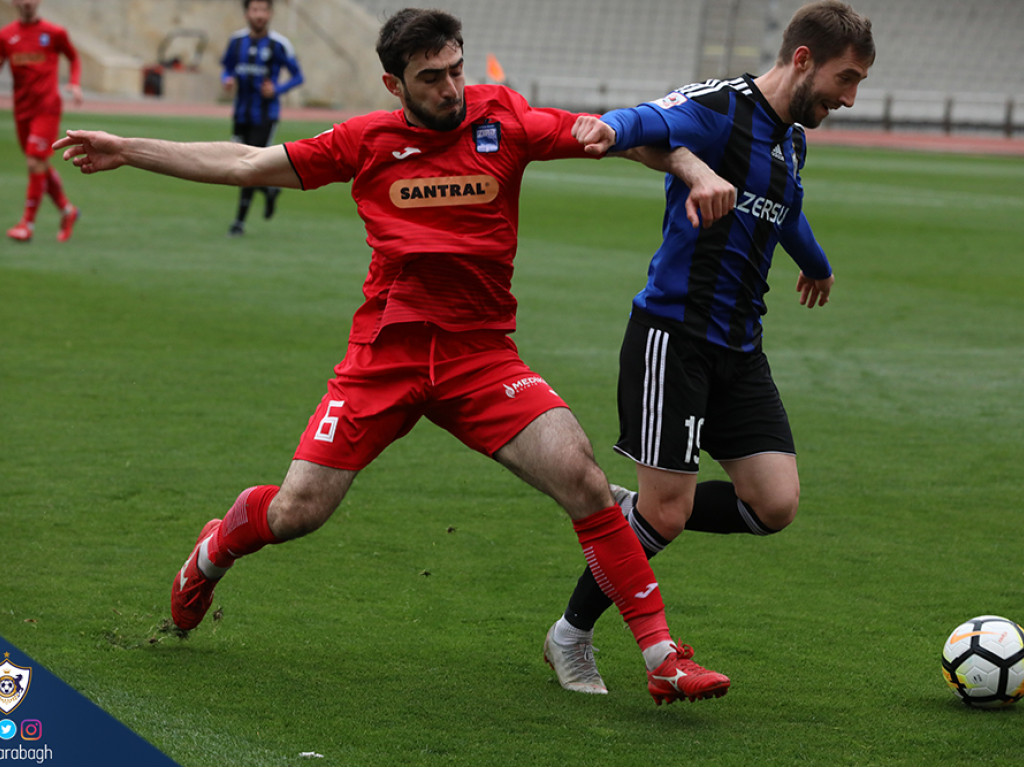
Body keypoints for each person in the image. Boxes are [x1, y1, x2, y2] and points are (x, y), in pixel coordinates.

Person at [56, 8, 732, 706]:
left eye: (457, 70)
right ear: (394, 82)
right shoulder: (365, 141)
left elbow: (622, 137)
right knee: (299, 512)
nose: (451, 88)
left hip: (481, 358)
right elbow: (245, 161)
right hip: (387, 357)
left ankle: (660, 657)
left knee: (583, 479)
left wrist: (688, 163)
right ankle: (215, 548)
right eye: (431, 77)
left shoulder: (505, 120)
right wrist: (129, 148)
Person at [543, 0, 875, 695]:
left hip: (740, 347)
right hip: (675, 337)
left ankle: (634, 513)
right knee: (669, 513)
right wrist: (608, 128)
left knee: (773, 505)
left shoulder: (793, 138)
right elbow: (652, 119)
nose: (849, 98)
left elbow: (783, 207)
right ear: (804, 60)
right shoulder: (720, 108)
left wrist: (813, 262)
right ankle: (570, 634)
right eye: (847, 80)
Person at [220, 0, 303, 236]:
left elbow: (298, 76)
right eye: (255, 10)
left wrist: (277, 89)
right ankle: (269, 191)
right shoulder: (236, 42)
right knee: (235, 163)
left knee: (247, 164)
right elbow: (226, 67)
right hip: (241, 113)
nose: (259, 15)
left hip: (265, 115)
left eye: (263, 10)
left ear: (270, 14)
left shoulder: (279, 45)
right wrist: (226, 79)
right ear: (247, 13)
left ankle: (238, 222)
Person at [0, 0, 81, 243]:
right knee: (40, 164)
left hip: (47, 108)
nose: (27, 2)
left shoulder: (54, 33)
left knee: (34, 160)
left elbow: (74, 58)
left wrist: (74, 83)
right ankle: (68, 211)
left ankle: (27, 224)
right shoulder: (6, 35)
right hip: (21, 110)